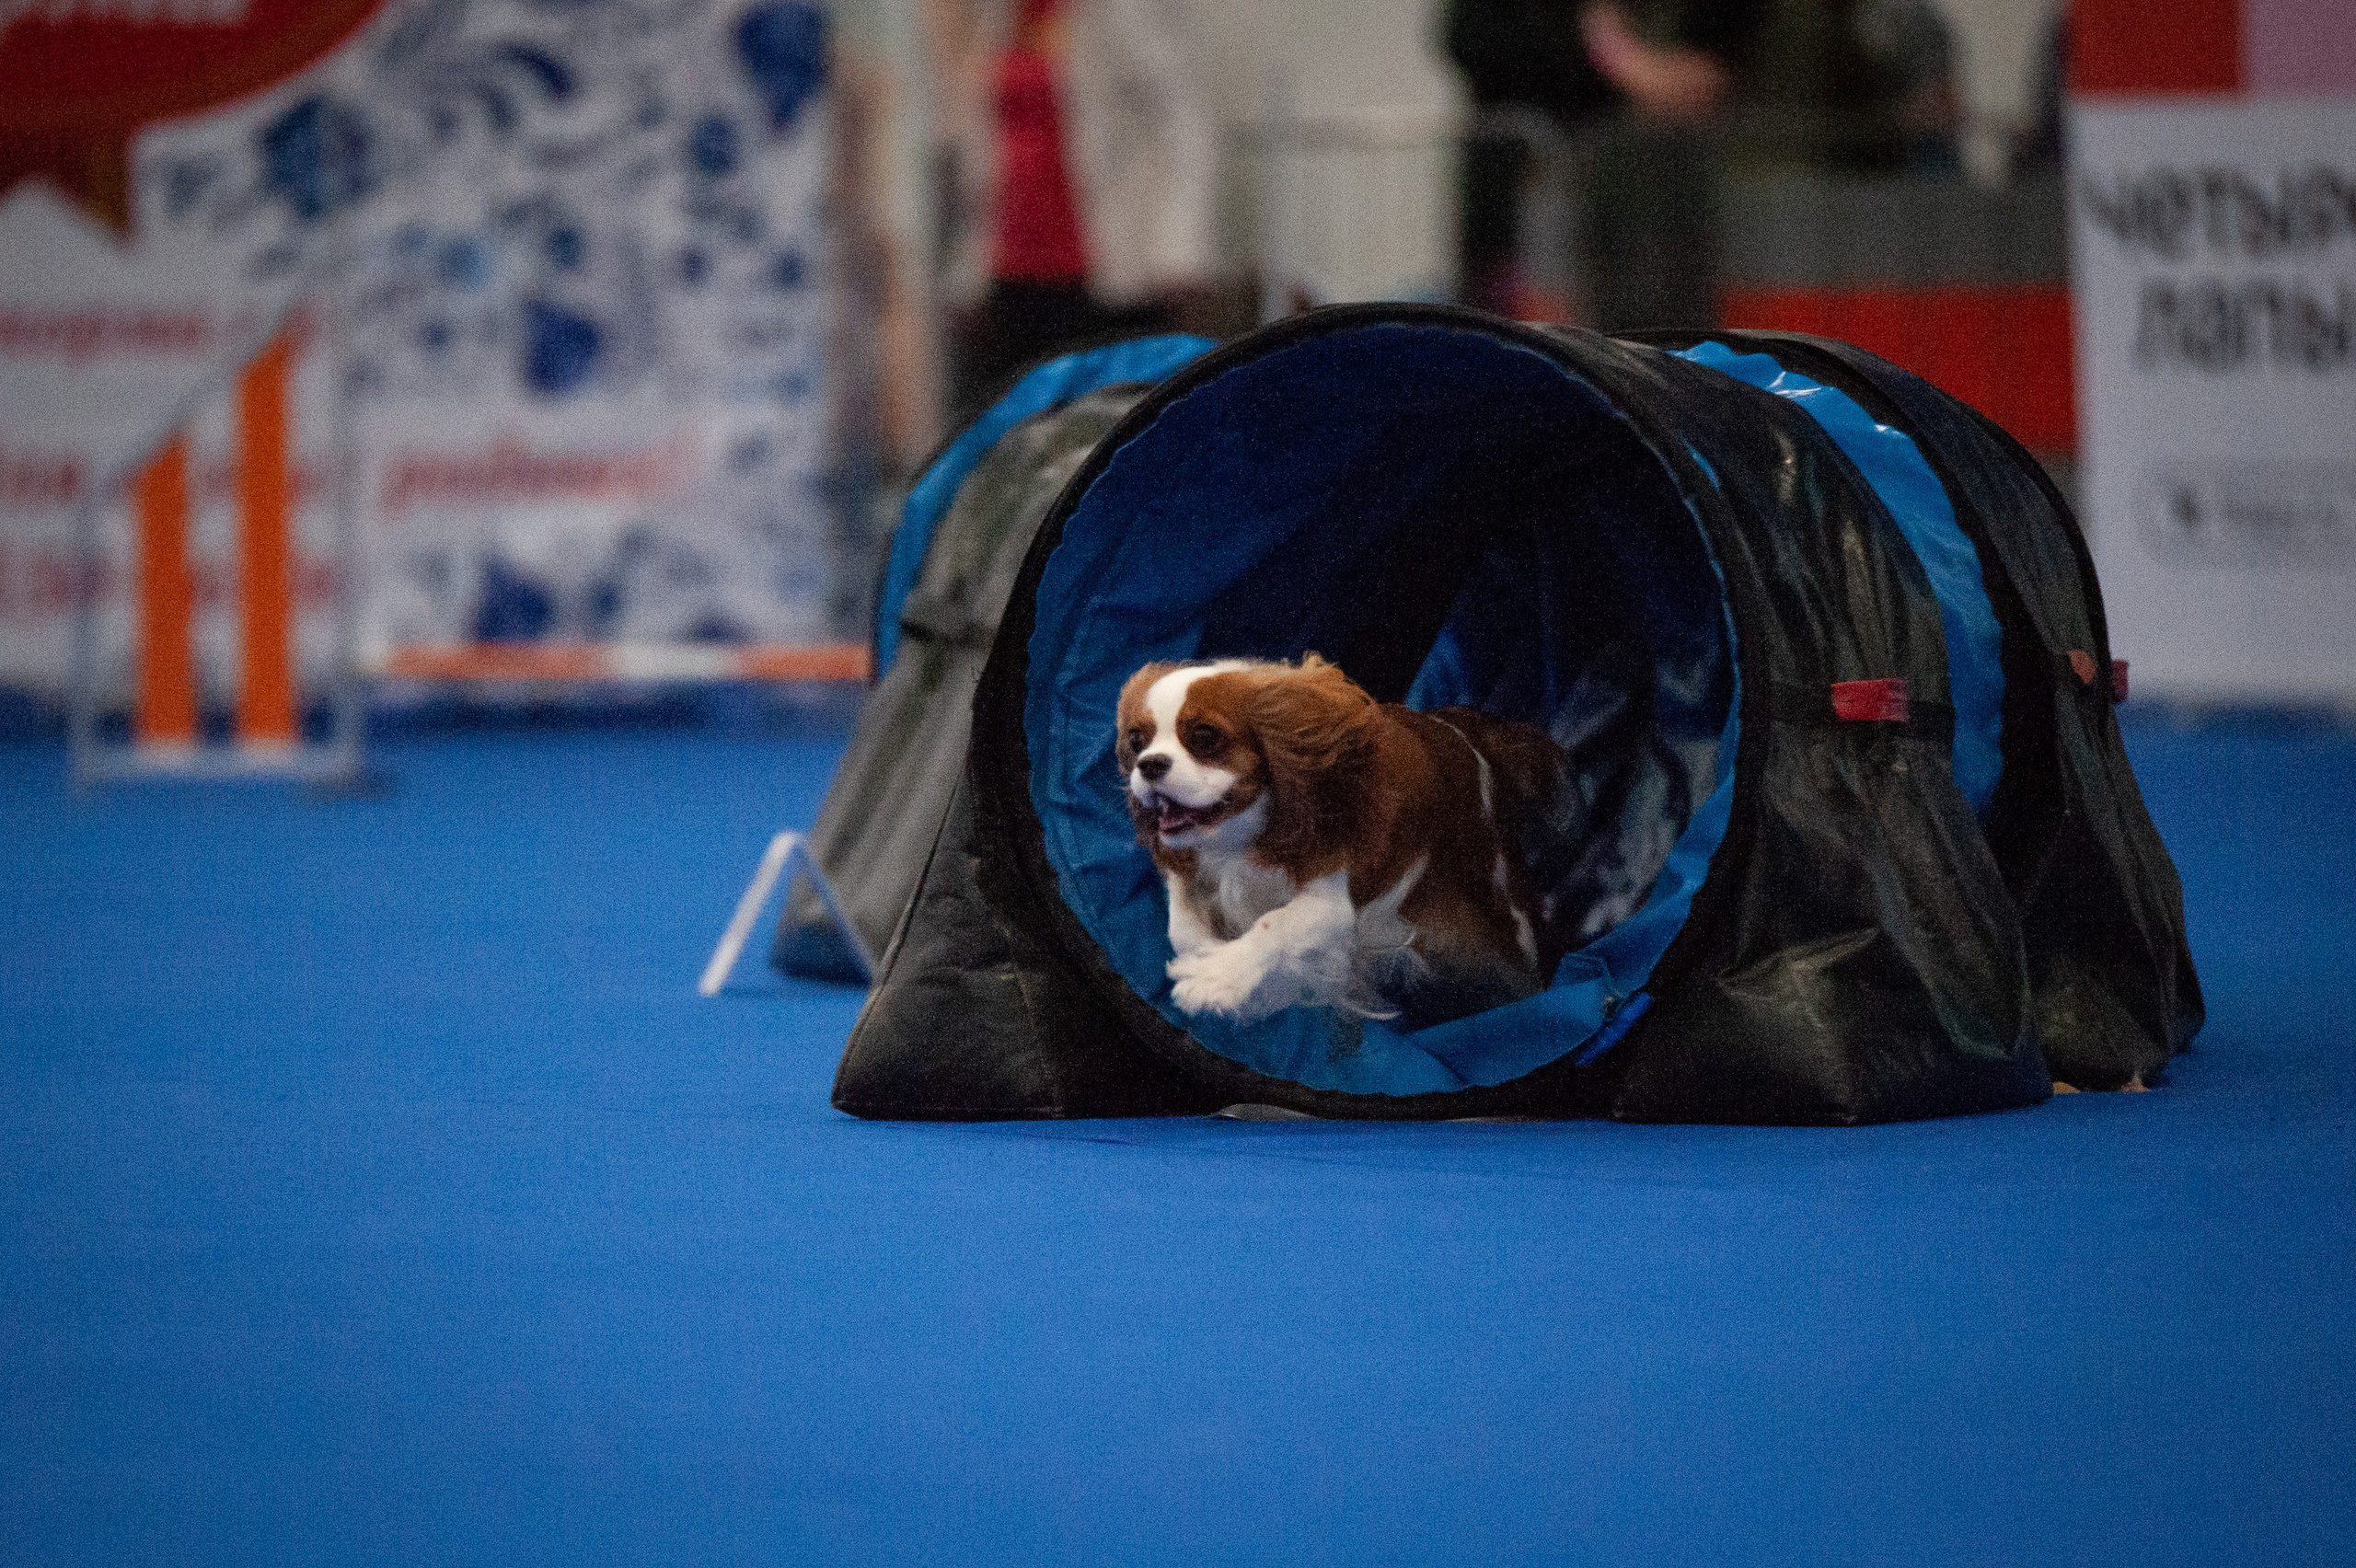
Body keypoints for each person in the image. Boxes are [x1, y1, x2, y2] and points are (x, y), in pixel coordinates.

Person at [930, 0, 1218, 427]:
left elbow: (1185, 126)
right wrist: (964, 269)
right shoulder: (995, 19)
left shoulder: (1122, 14)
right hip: (1010, 274)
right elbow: (972, 146)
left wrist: (1175, 247)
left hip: (1106, 273)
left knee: (1106, 430)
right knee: (1017, 439)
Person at [1443, 0, 1762, 325]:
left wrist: (1689, 65)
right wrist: (1614, 60)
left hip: (1646, 201)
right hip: (1531, 180)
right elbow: (1469, 38)